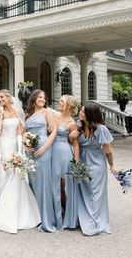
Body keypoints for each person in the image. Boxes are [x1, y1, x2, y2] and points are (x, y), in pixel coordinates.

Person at [0, 89, 40, 234]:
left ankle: (20, 213)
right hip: (4, 145)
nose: (0, 99)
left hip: (15, 146)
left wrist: (20, 150)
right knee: (7, 177)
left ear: (9, 97)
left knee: (18, 177)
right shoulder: (0, 113)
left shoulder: (17, 112)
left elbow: (19, 132)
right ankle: (5, 214)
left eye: (2, 97)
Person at [70, 102, 117, 236]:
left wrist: (112, 165)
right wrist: (77, 164)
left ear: (90, 114)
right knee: (85, 191)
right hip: (83, 161)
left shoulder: (101, 129)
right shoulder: (79, 126)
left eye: (83, 111)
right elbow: (75, 144)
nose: (80, 113)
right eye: (81, 110)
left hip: (97, 164)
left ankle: (96, 222)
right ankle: (86, 218)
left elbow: (107, 149)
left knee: (96, 193)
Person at [25, 89, 57, 232]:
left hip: (44, 148)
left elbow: (54, 131)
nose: (42, 99)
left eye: (44, 97)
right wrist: (26, 145)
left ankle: (46, 219)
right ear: (34, 98)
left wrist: (44, 148)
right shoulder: (28, 114)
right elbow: (23, 132)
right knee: (33, 182)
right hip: (30, 152)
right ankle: (36, 216)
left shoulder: (47, 112)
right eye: (39, 97)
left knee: (44, 183)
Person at [51, 95, 79, 230]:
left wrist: (77, 162)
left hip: (64, 154)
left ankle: (67, 215)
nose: (59, 102)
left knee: (64, 186)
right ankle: (57, 213)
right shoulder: (54, 117)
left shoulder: (72, 123)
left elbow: (75, 144)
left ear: (69, 105)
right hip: (53, 153)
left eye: (62, 101)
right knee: (54, 184)